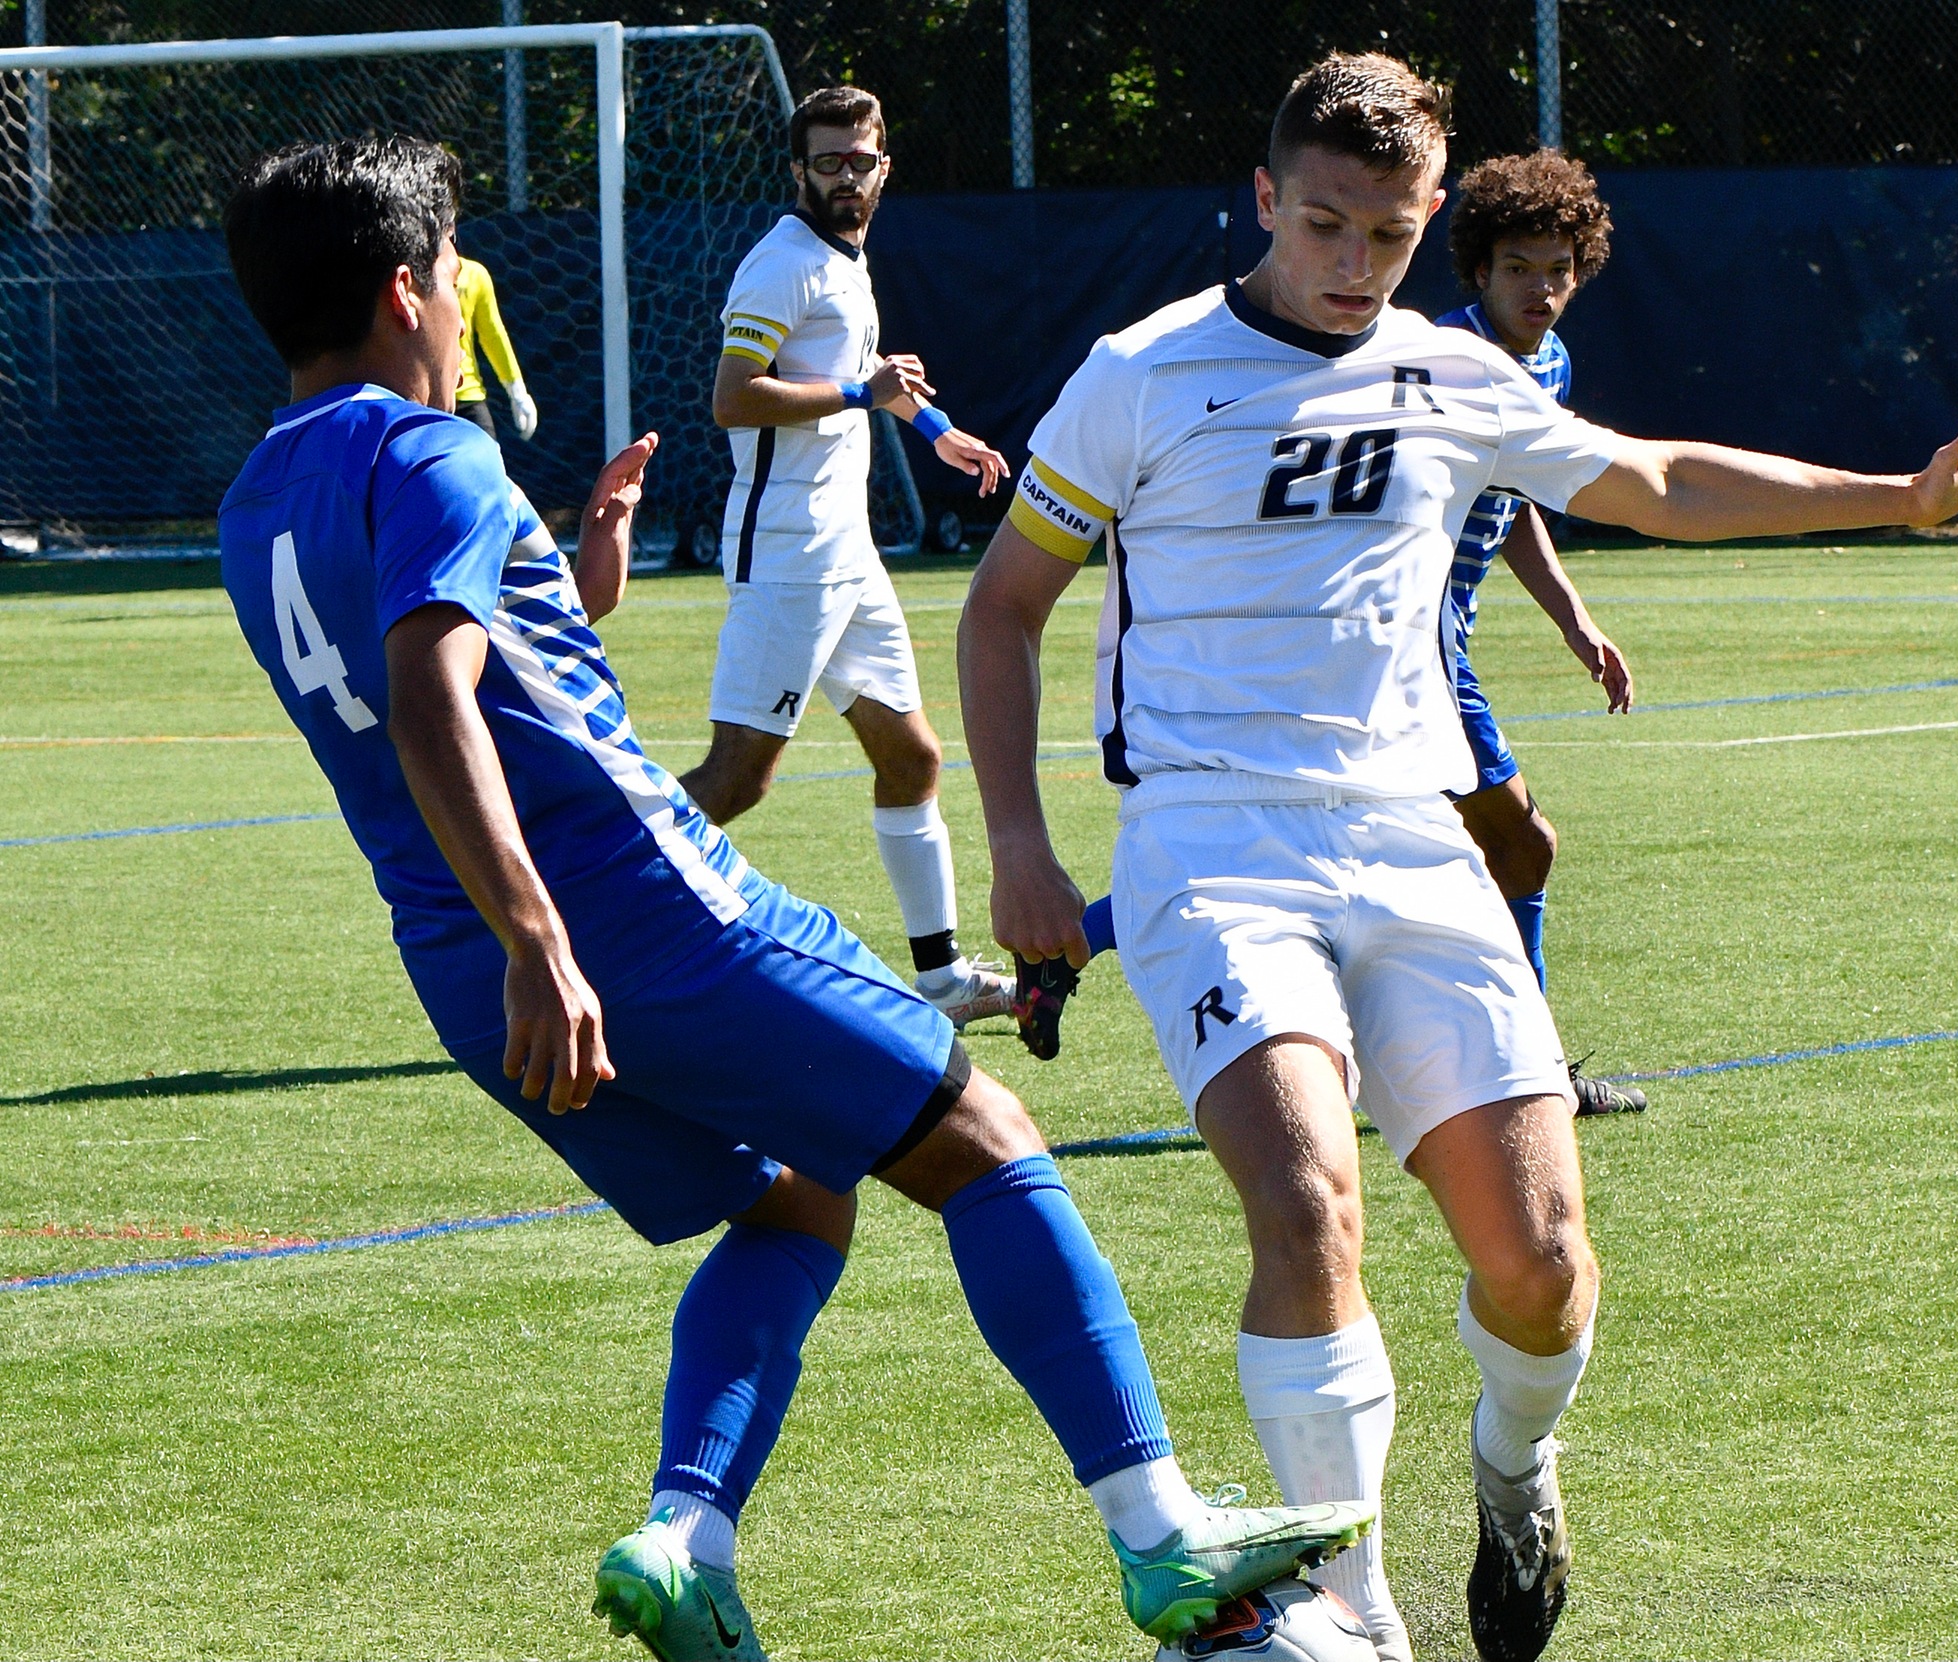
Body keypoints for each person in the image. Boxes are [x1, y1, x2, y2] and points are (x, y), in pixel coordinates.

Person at [958, 53, 1958, 1662]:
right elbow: (1005, 606)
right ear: (1265, 200)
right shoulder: (1140, 375)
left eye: (1389, 236)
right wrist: (1018, 846)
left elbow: (1654, 478)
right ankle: (1351, 1608)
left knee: (1541, 1263)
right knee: (1305, 1201)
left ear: (1425, 227)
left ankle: (1512, 1463)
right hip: (1212, 838)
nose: (1353, 265)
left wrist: (1897, 493)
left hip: (1414, 840)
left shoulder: (1452, 373)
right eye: (1324, 224)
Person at [216, 134, 1371, 1662]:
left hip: (454, 959)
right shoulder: (431, 451)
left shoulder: (257, 497)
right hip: (633, 919)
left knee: (791, 1198)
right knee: (986, 1140)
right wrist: (545, 940)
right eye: (454, 281)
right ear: (404, 289)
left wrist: (584, 570)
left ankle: (684, 1536)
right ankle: (1161, 1536)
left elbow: (464, 675)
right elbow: (433, 696)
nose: (455, 311)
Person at [681, 84, 1014, 1029]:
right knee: (739, 779)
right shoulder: (781, 264)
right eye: (825, 162)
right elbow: (737, 396)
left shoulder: (847, 262)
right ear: (799, 171)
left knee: (910, 758)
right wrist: (865, 393)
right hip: (788, 551)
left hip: (845, 552)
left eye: (857, 161)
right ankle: (578, 907)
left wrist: (936, 427)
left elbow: (867, 381)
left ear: (882, 165)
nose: (843, 178)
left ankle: (943, 981)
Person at [1435, 150, 1644, 1119]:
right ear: (1479, 268)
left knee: (1312, 855)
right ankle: (1532, 1076)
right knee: (1523, 850)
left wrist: (1575, 619)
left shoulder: (1549, 363)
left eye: (1559, 268)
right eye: (1520, 266)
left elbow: (1516, 504)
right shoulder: (1444, 363)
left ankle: (1066, 949)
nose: (1542, 288)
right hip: (1407, 648)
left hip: (1443, 643)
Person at [452, 253, 536, 443]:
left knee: (488, 465)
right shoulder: (413, 275)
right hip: (422, 402)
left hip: (469, 397)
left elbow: (493, 334)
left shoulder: (475, 275)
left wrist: (517, 390)